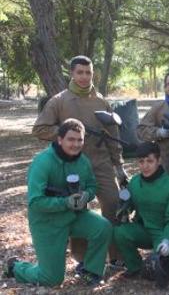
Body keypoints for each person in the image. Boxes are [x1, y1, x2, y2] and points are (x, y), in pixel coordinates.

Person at [32, 55, 124, 266]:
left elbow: (113, 135)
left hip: (101, 163)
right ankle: (81, 258)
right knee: (78, 209)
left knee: (113, 204)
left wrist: (118, 165)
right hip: (73, 164)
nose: (84, 77)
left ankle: (116, 255)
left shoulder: (101, 101)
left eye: (88, 72)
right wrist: (67, 132)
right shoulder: (59, 101)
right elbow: (40, 129)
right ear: (72, 73)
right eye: (80, 72)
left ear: (93, 73)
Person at [5, 119, 112, 287]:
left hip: (74, 216)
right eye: (71, 139)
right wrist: (65, 203)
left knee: (103, 227)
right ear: (60, 139)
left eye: (80, 140)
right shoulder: (43, 162)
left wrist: (86, 195)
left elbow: (92, 185)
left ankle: (91, 271)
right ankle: (16, 267)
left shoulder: (83, 161)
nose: (76, 144)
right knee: (51, 279)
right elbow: (35, 202)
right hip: (47, 223)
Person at [113, 142, 169, 287]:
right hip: (143, 230)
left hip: (163, 234)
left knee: (165, 265)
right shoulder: (135, 182)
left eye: (150, 161)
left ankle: (164, 260)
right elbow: (128, 207)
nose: (145, 166)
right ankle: (135, 267)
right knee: (120, 231)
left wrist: (167, 241)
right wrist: (123, 209)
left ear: (159, 160)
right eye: (141, 162)